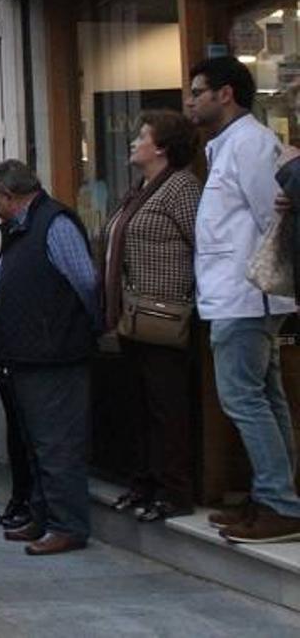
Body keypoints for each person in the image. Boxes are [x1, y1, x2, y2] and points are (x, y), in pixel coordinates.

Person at [186, 56, 300, 543]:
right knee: (263, 398)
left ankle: (280, 503)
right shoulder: (225, 146)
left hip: (247, 297)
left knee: (244, 399)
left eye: (198, 91)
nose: (190, 101)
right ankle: (272, 496)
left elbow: (272, 218)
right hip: (234, 295)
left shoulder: (250, 143)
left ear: (225, 94)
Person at [0, 159, 101, 557]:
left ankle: (68, 525)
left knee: (57, 445)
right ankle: (42, 516)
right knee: (36, 444)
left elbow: (85, 282)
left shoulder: (54, 224)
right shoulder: (21, 229)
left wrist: (78, 328)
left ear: (9, 196)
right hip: (26, 356)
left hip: (54, 356)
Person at [100, 111, 201, 521]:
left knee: (166, 405)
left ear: (160, 147)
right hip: (131, 316)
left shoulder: (181, 187)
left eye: (142, 135)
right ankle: (143, 481)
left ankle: (174, 490)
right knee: (139, 406)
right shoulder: (139, 188)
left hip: (165, 315)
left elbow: (204, 244)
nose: (133, 141)